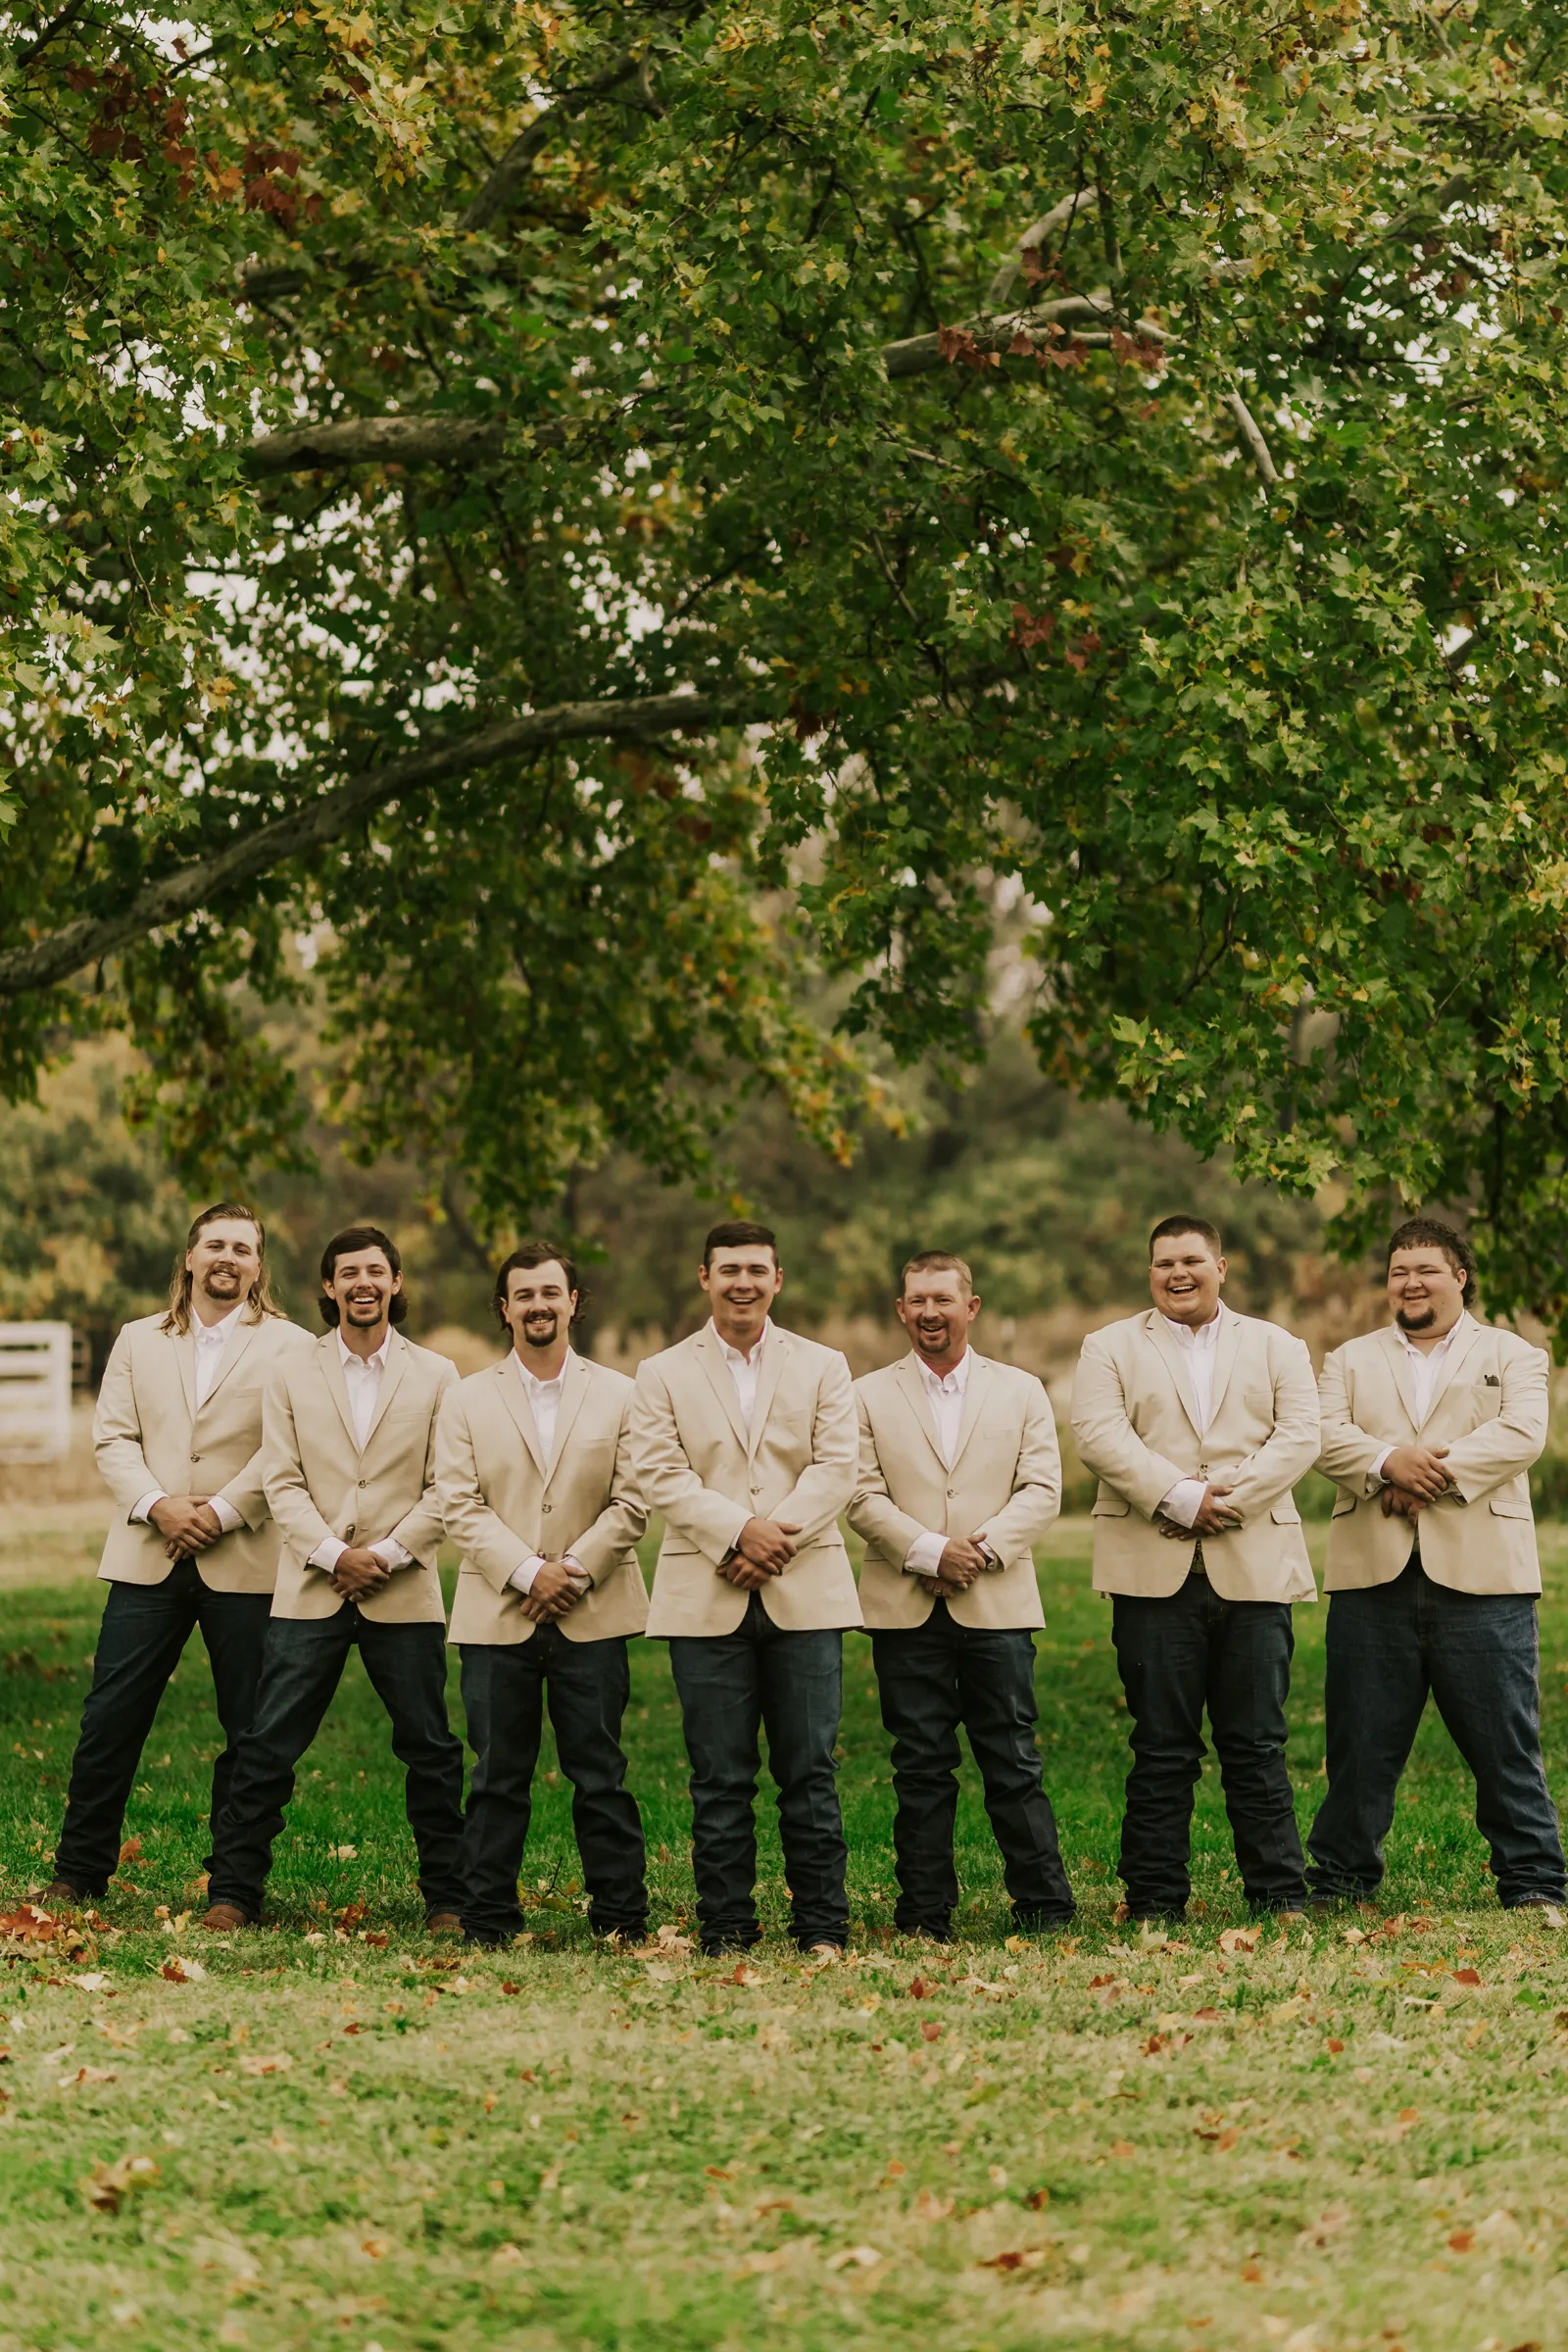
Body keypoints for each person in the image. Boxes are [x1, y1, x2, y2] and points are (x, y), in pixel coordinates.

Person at [41, 1203, 312, 1911]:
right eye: (215, 1244)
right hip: (146, 1555)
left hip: (247, 1557)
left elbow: (286, 1449)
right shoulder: (137, 1339)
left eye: (243, 1248)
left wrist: (220, 1512)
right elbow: (112, 1439)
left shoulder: (292, 1346)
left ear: (258, 1266)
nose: (228, 1257)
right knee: (109, 1721)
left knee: (251, 1732)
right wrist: (160, 1505)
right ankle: (78, 1873)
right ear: (189, 1257)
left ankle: (234, 1889)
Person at [200, 1226, 465, 1934]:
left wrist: (388, 1555)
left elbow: (448, 1487)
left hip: (402, 1589)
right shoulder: (290, 1372)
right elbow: (279, 1480)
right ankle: (233, 1892)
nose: (363, 1284)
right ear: (328, 1288)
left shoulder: (438, 1375)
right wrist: (330, 1553)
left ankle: (448, 1899)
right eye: (348, 1273)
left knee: (430, 1748)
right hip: (309, 1586)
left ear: (396, 1283)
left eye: (376, 1271)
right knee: (266, 1742)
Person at [1308, 1217, 1564, 1910]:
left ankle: (1535, 1881)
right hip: (1372, 1577)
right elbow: (1324, 1434)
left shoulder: (1514, 1354)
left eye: (1425, 1269)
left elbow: (1520, 1435)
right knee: (1359, 1745)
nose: (1410, 1282)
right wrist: (1384, 1461)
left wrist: (1425, 1471)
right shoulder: (1348, 1360)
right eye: (1398, 1271)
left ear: (1460, 1276)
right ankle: (1338, 1881)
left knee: (1507, 1744)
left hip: (1486, 1580)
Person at [1071, 1215, 1320, 1925]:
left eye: (1191, 1261)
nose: (1177, 1274)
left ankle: (1278, 1897)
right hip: (1152, 1570)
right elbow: (1098, 1435)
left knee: (1258, 1743)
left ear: (1222, 1266)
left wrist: (1226, 1500)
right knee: (1160, 1745)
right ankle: (1153, 1901)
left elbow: (1301, 1434)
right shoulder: (1108, 1346)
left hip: (1255, 1564)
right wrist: (1179, 1498)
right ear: (1149, 1273)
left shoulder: (1278, 1345)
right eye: (1162, 1265)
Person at [629, 1220, 859, 1958]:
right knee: (720, 1777)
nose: (743, 1283)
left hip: (805, 1589)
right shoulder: (661, 1372)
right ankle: (727, 1926)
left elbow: (836, 1468)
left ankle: (822, 1926)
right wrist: (736, 1532)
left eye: (756, 1270)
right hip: (706, 1593)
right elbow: (661, 1474)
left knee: (810, 1772)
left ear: (778, 1279)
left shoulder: (824, 1365)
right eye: (728, 1270)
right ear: (705, 1278)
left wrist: (770, 1537)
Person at [850, 1250, 1074, 1940]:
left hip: (996, 1601)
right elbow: (858, 1492)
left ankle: (1045, 1907)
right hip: (904, 1605)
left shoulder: (1022, 1390)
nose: (928, 1313)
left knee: (1012, 1758)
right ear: (901, 1310)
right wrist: (926, 1551)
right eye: (916, 1300)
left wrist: (975, 1553)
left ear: (970, 1307)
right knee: (919, 1765)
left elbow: (1043, 1489)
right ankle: (923, 1914)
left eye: (942, 1299)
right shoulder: (865, 1394)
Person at [437, 1244, 650, 1948]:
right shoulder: (465, 1398)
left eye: (550, 1292)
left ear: (573, 1302)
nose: (538, 1305)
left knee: (603, 1775)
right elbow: (457, 1504)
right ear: (504, 1309)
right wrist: (529, 1572)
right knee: (497, 1776)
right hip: (499, 1611)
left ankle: (621, 1918)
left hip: (596, 1609)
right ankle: (488, 1920)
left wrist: (575, 1570)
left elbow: (634, 1500)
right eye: (523, 1294)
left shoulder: (622, 1394)